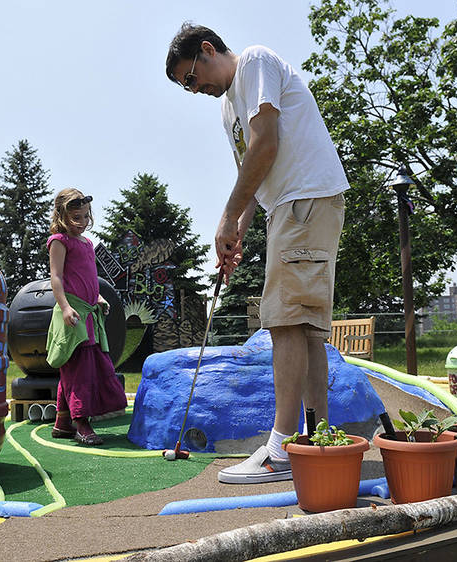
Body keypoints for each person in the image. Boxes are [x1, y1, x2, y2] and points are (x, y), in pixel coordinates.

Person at [166, 24, 349, 483]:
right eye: (186, 88)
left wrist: (228, 218)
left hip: (304, 199)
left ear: (207, 50)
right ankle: (315, 443)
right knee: (305, 328)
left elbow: (266, 143)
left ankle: (281, 451)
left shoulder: (255, 62)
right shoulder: (228, 108)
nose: (195, 90)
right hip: (288, 206)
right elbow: (252, 177)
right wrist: (236, 232)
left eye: (191, 78)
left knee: (285, 321)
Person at [45, 188, 127, 446]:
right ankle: (81, 423)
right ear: (62, 216)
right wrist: (66, 307)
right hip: (72, 312)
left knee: (79, 365)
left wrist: (98, 297)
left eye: (84, 217)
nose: (81, 223)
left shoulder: (87, 243)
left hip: (89, 313)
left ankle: (62, 422)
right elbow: (56, 277)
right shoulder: (59, 241)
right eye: (75, 218)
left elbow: (88, 277)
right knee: (78, 369)